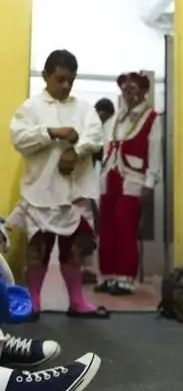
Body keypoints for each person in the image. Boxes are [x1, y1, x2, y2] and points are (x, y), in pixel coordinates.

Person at [8, 49, 108, 320]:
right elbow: (20, 140)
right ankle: (34, 302)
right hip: (40, 191)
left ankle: (77, 301)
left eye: (70, 80)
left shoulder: (84, 109)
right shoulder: (30, 108)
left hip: (74, 192)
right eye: (60, 79)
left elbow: (95, 138)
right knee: (37, 250)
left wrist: (76, 151)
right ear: (45, 76)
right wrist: (52, 132)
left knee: (74, 250)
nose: (65, 86)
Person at [97, 72, 161, 296]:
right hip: (109, 176)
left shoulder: (152, 118)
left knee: (125, 227)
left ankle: (125, 278)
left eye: (133, 88)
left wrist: (150, 184)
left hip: (134, 178)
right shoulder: (115, 118)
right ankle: (107, 275)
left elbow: (155, 152)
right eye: (125, 89)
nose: (128, 93)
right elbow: (106, 149)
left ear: (144, 91)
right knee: (106, 227)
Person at [81, 97, 116, 285]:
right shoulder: (88, 127)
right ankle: (85, 268)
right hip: (83, 187)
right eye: (104, 117)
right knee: (87, 226)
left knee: (89, 226)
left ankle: (85, 267)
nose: (104, 121)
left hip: (89, 186)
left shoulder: (96, 129)